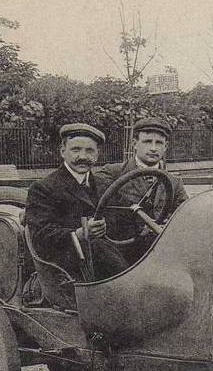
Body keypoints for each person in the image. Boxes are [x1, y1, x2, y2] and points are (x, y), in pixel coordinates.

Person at [25, 123, 129, 281]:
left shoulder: (105, 185)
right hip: (67, 268)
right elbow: (40, 236)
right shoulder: (43, 188)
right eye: (76, 150)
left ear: (97, 154)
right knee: (98, 247)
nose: (83, 156)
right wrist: (79, 234)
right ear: (62, 151)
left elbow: (125, 217)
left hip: (107, 262)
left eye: (89, 151)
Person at [103, 117, 188, 264]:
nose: (154, 148)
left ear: (166, 146)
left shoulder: (174, 183)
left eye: (159, 143)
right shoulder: (112, 173)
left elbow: (185, 217)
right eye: (148, 142)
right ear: (134, 144)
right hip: (121, 255)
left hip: (160, 252)